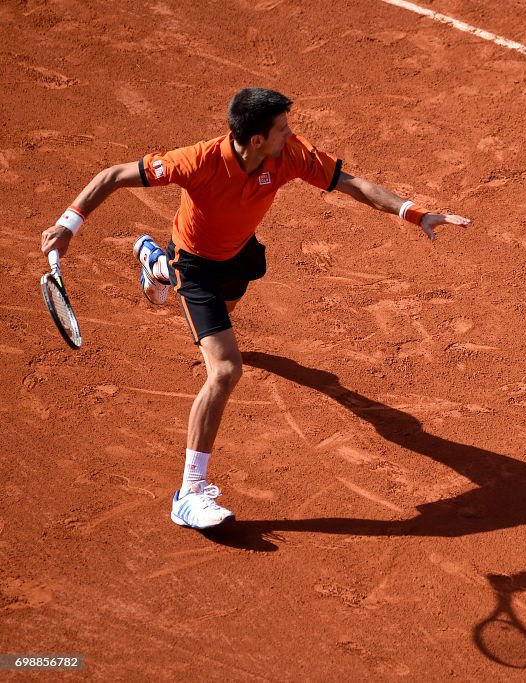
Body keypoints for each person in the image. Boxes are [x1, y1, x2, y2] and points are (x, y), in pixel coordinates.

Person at [39, 87, 471, 530]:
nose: (292, 133)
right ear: (257, 139)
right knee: (226, 369)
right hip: (197, 266)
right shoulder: (198, 161)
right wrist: (67, 224)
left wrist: (414, 213)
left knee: (228, 312)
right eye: (282, 128)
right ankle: (188, 494)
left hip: (239, 255)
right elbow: (112, 175)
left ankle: (154, 266)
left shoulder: (289, 155)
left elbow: (350, 183)